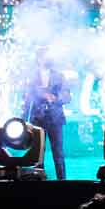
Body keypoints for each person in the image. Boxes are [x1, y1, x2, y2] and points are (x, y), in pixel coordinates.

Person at [23, 46, 71, 180]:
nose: (48, 58)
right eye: (45, 56)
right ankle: (39, 182)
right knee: (38, 154)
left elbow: (67, 96)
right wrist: (24, 119)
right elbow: (26, 98)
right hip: (37, 120)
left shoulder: (59, 76)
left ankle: (63, 182)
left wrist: (54, 98)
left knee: (58, 153)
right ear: (38, 59)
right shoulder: (31, 76)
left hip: (55, 119)